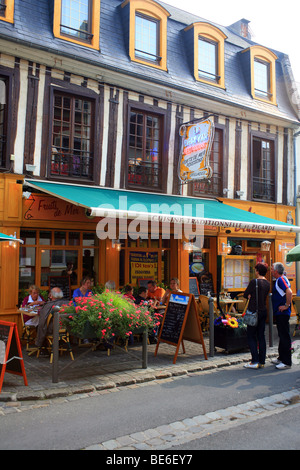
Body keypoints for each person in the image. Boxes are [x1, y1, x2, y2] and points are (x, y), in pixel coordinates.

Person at [243, 263, 270, 369]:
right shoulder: (267, 283)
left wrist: (250, 295)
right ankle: (262, 361)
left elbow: (246, 294)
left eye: (255, 270)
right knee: (261, 336)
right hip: (263, 311)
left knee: (251, 336)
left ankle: (254, 361)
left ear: (258, 271)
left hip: (254, 311)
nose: (255, 272)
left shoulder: (254, 282)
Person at [271, 262, 293, 370]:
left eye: (272, 269)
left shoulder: (281, 279)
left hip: (282, 313)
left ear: (276, 271)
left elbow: (289, 292)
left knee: (285, 336)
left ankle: (286, 361)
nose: (270, 271)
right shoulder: (280, 279)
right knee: (282, 335)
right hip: (280, 313)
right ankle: (281, 358)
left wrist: (286, 305)